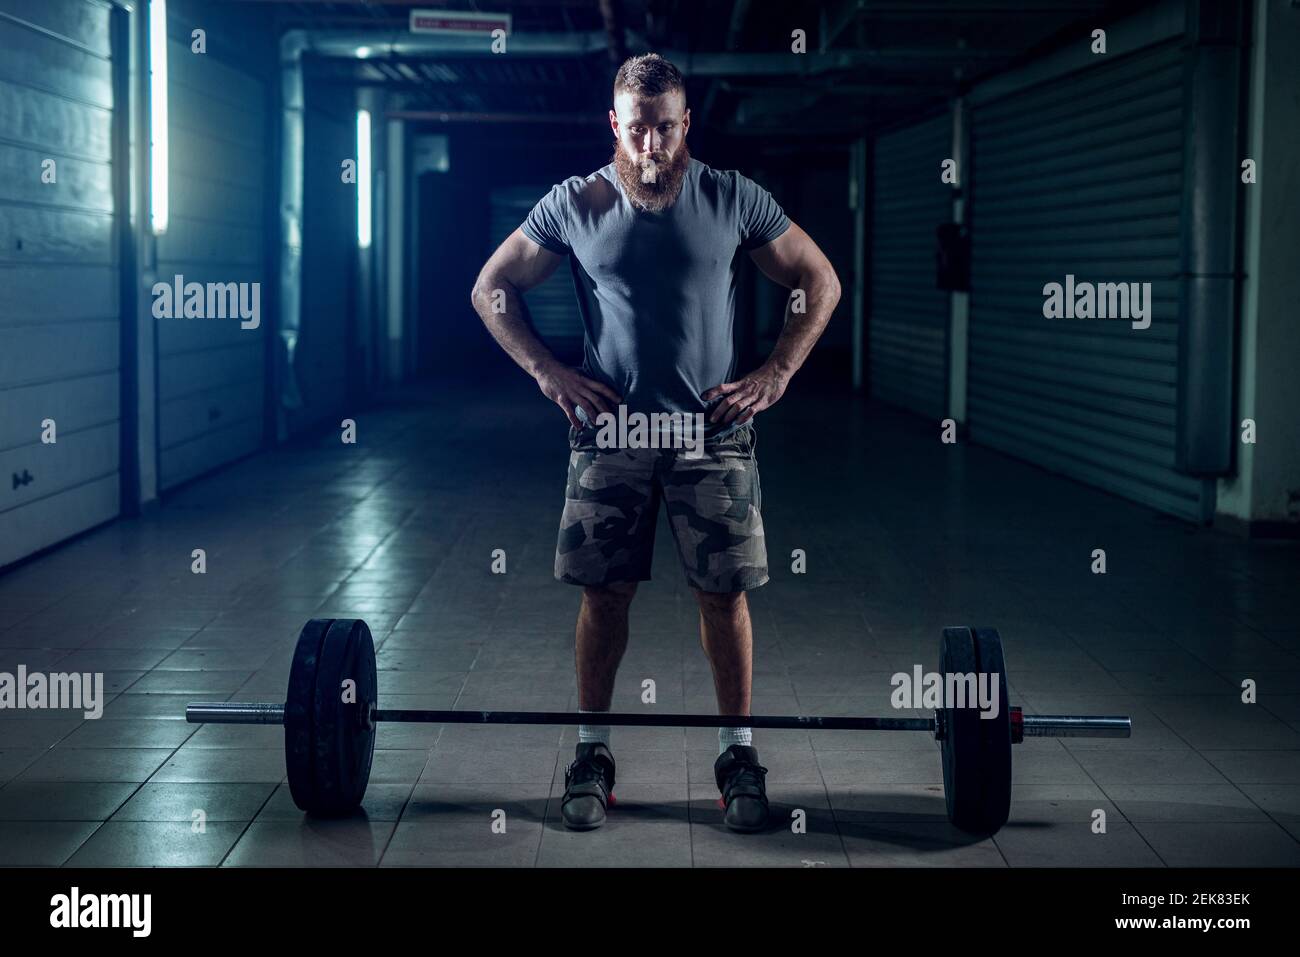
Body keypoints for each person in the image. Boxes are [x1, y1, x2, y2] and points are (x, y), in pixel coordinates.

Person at [470, 53, 840, 832]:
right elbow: (491, 287)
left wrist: (776, 371)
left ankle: (737, 754)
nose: (651, 147)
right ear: (614, 124)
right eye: (637, 128)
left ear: (685, 124)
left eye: (665, 128)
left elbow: (818, 278)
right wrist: (548, 372)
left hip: (713, 432)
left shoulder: (732, 197)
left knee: (723, 594)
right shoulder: (575, 204)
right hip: (612, 432)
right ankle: (592, 751)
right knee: (604, 596)